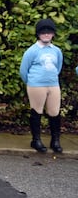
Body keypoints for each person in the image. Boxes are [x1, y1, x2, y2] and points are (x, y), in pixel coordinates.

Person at [20, 18, 63, 153]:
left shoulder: (56, 50)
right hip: (36, 85)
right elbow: (23, 70)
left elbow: (58, 67)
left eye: (49, 32)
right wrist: (32, 82)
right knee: (37, 111)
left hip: (53, 84)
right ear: (38, 34)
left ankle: (55, 140)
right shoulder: (32, 50)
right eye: (43, 32)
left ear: (53, 34)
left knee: (54, 112)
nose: (46, 34)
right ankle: (36, 140)